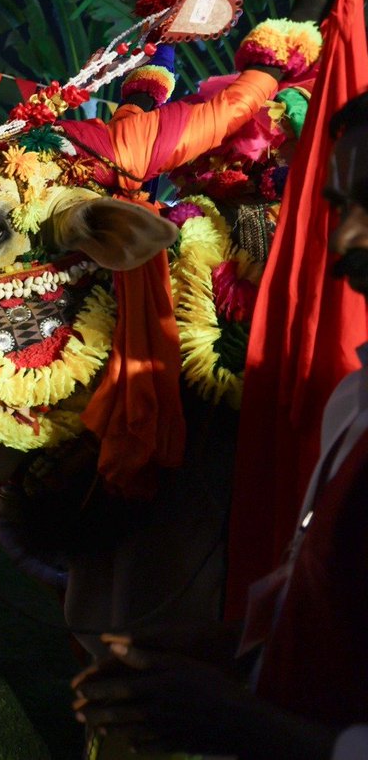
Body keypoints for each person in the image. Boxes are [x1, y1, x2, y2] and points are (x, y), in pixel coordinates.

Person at [72, 89, 368, 760]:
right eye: (340, 205)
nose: (347, 236)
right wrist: (219, 645)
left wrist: (242, 721)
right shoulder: (351, 399)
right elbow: (314, 597)